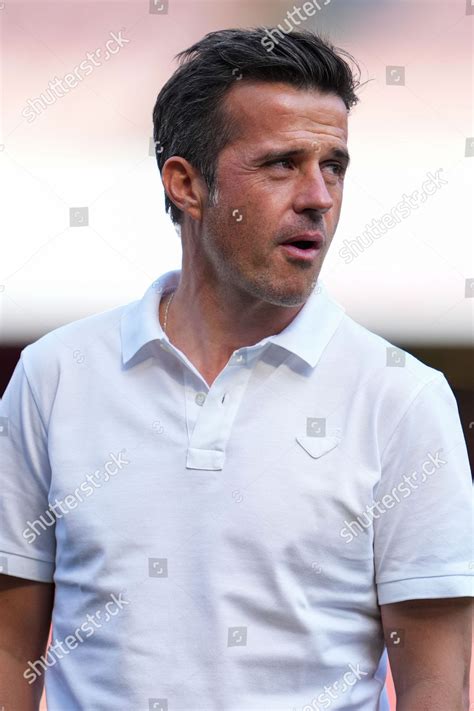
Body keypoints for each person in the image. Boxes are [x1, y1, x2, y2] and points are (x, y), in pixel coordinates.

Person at [0, 27, 472, 711]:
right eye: (282, 164)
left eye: (334, 165)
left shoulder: (403, 398)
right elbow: (13, 650)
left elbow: (436, 683)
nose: (319, 195)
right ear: (186, 184)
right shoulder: (54, 377)